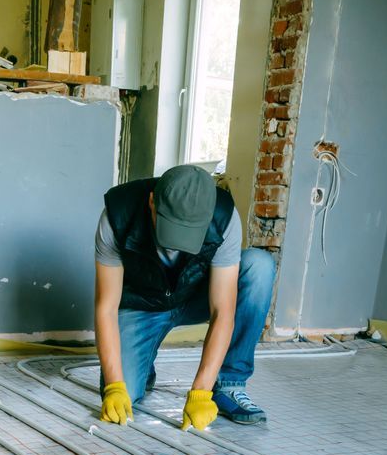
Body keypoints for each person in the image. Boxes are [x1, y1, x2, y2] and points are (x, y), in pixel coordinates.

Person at [92, 163, 276, 429]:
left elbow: (223, 310)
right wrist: (114, 387)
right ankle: (143, 363)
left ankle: (229, 384)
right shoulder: (117, 215)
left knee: (259, 266)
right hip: (142, 304)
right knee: (125, 392)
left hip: (194, 295)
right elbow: (106, 307)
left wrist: (201, 391)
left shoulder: (224, 217)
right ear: (152, 201)